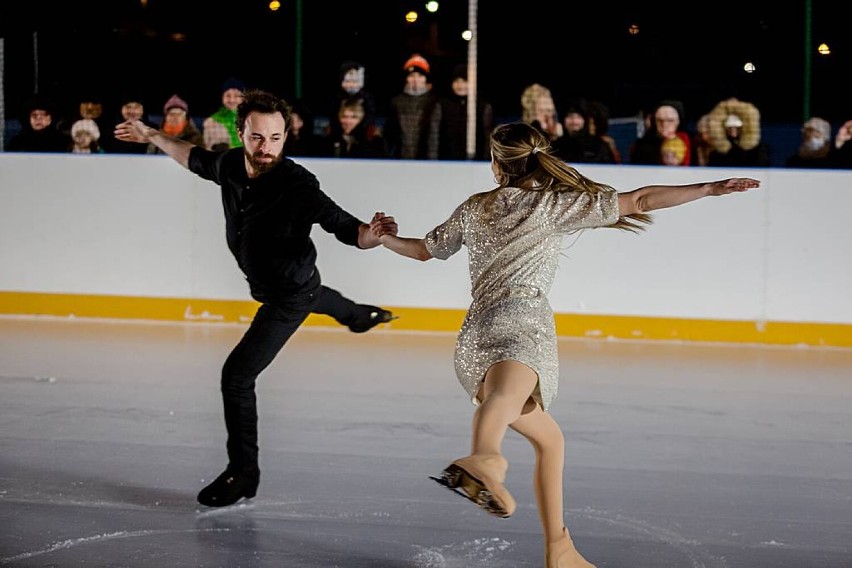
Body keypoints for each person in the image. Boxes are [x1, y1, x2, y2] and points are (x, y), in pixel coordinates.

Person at [369, 122, 759, 568]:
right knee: (505, 398)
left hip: (476, 332)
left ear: (497, 166)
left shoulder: (476, 207)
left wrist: (383, 237)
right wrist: (709, 187)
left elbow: (424, 250)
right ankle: (486, 457)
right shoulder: (555, 205)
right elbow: (642, 200)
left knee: (550, 441)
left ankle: (560, 548)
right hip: (522, 323)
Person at [114, 89, 398, 508]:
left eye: (276, 138)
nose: (266, 148)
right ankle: (358, 316)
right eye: (257, 138)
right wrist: (153, 134)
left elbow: (349, 230)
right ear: (241, 132)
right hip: (285, 281)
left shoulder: (298, 184)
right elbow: (191, 156)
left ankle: (244, 473)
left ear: (287, 136)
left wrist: (373, 235)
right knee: (319, 294)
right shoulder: (229, 164)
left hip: (288, 295)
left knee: (237, 376)